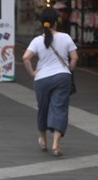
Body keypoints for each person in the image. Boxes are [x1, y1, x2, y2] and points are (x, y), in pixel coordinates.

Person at [22, 8, 78, 157]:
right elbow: (75, 58)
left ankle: (44, 140)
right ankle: (56, 144)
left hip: (42, 79)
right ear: (56, 22)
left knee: (43, 108)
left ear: (42, 23)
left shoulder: (37, 41)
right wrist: (70, 70)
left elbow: (25, 58)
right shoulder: (65, 37)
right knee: (59, 108)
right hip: (62, 77)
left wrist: (33, 73)